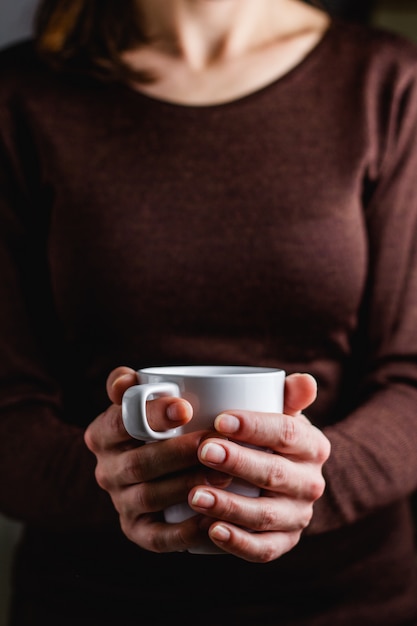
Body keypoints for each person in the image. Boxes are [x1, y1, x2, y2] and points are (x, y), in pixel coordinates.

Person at [0, 0, 417, 624]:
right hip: (92, 601)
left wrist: (316, 484)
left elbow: (410, 376)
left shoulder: (389, 84)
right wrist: (115, 481)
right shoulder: (21, 96)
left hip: (350, 602)